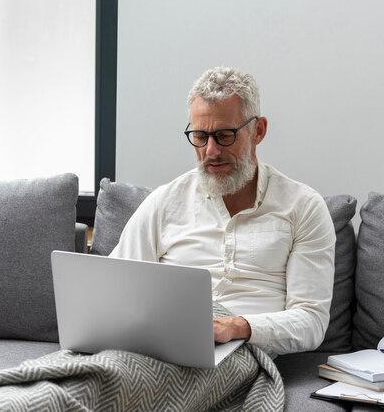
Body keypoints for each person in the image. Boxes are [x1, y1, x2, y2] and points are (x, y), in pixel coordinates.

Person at [110, 67, 336, 356]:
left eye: (225, 135)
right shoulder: (164, 202)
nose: (211, 151)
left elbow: (311, 321)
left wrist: (237, 327)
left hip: (244, 351)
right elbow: (115, 291)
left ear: (259, 131)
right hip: (163, 344)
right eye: (200, 136)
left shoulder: (303, 207)